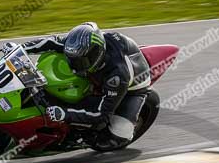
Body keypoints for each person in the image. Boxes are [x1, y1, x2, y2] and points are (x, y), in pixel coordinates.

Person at [22, 22, 151, 147]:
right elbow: (51, 41)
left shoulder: (117, 75)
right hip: (104, 70)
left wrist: (64, 113)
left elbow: (101, 114)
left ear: (96, 54)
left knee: (119, 135)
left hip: (132, 89)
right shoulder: (80, 44)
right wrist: (21, 48)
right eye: (73, 60)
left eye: (81, 62)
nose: (74, 68)